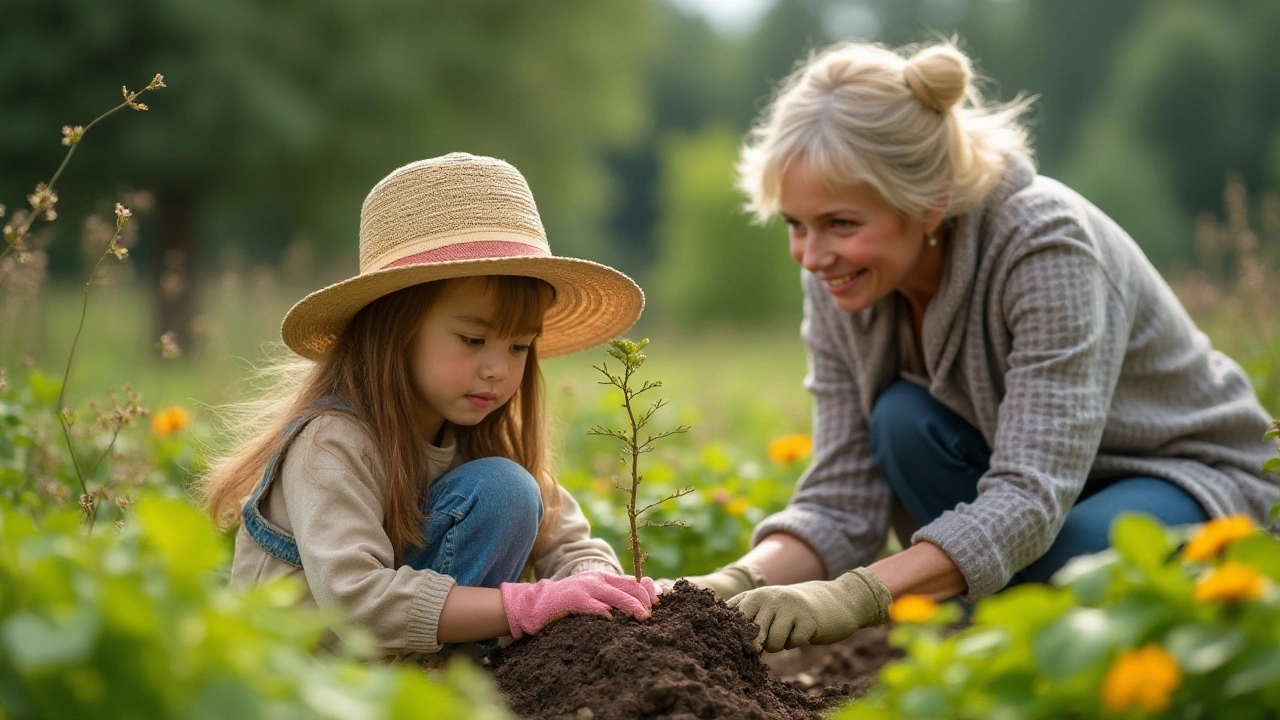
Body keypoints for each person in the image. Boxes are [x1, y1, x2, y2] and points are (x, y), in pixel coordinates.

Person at [680, 41, 1280, 653]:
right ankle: (1012, 625)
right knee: (901, 421)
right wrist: (720, 587)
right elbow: (842, 495)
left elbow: (1032, 492)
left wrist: (855, 595)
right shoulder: (843, 280)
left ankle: (1031, 627)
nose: (812, 256)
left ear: (929, 200)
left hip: (1181, 476)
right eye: (795, 225)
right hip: (1038, 500)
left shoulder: (1046, 245)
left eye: (841, 224)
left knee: (1077, 561)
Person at [200, 153, 659, 662]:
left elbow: (569, 541)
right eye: (472, 338)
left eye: (519, 347)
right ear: (394, 331)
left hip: (396, 676)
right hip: (305, 679)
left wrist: (593, 583)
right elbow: (356, 603)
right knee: (504, 491)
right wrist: (529, 603)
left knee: (506, 488)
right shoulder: (332, 441)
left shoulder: (477, 431)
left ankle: (444, 683)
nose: (498, 370)